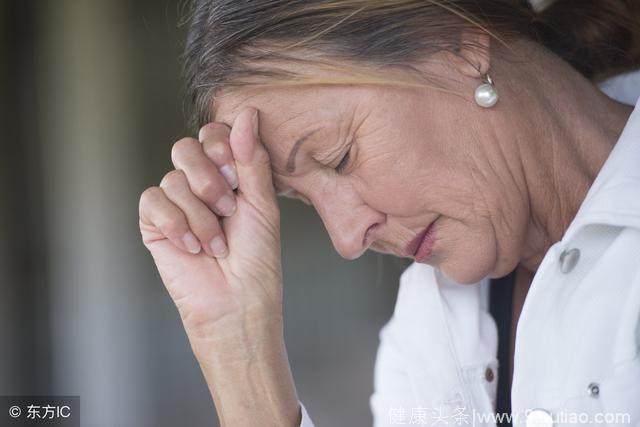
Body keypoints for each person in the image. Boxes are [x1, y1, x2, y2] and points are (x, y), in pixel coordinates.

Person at [137, 1, 640, 426]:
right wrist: (238, 345)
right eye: (303, 202)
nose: (347, 238)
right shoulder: (431, 322)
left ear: (458, 45)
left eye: (339, 157)